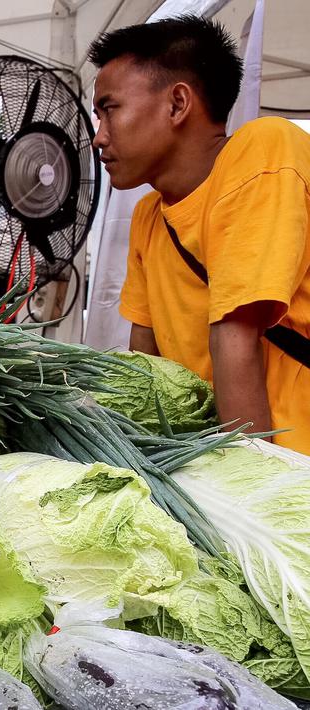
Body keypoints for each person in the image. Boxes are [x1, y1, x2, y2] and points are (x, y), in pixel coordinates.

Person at [89, 15, 310, 453]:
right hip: (214, 464)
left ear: (177, 104)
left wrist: (250, 487)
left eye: (109, 110)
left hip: (284, 468)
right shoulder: (149, 216)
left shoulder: (264, 151)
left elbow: (235, 336)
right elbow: (146, 373)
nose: (98, 138)